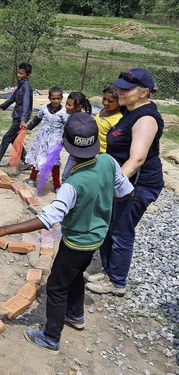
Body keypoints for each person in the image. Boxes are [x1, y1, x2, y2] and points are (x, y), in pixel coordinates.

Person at [0, 112, 134, 353]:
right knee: (76, 275)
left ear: (65, 144)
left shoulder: (72, 184)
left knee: (56, 286)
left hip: (76, 242)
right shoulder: (109, 162)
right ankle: (75, 315)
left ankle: (51, 336)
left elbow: (47, 218)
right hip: (97, 238)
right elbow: (126, 192)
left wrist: (2, 229)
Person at [86, 68, 164, 296]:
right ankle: (108, 271)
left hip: (137, 185)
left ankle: (117, 281)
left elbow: (137, 158)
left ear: (144, 92)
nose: (120, 91)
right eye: (119, 86)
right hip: (124, 181)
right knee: (110, 227)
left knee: (122, 230)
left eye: (126, 89)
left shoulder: (146, 118)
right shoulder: (130, 110)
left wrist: (113, 185)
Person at [24, 86, 67, 192]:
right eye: (53, 98)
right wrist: (29, 127)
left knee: (54, 161)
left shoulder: (64, 112)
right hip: (42, 138)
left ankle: (56, 185)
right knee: (38, 156)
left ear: (61, 98)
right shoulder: (44, 108)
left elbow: (67, 126)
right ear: (49, 98)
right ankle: (33, 178)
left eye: (58, 98)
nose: (56, 101)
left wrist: (64, 138)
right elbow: (37, 119)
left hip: (55, 140)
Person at [0, 62, 33, 167]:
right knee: (14, 140)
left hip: (20, 117)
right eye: (18, 72)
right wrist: (1, 106)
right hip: (17, 115)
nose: (18, 75)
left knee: (7, 138)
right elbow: (13, 98)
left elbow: (26, 103)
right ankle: (27, 160)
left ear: (28, 75)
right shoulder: (20, 85)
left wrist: (23, 119)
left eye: (21, 73)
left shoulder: (26, 87)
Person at [61, 92, 93, 180]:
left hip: (79, 153)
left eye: (69, 105)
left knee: (66, 176)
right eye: (66, 103)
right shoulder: (71, 116)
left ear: (79, 107)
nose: (66, 107)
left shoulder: (82, 121)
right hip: (73, 152)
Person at [95, 84, 123, 153]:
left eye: (110, 101)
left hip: (102, 155)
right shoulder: (103, 110)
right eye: (104, 98)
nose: (105, 103)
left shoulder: (117, 120)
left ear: (119, 102)